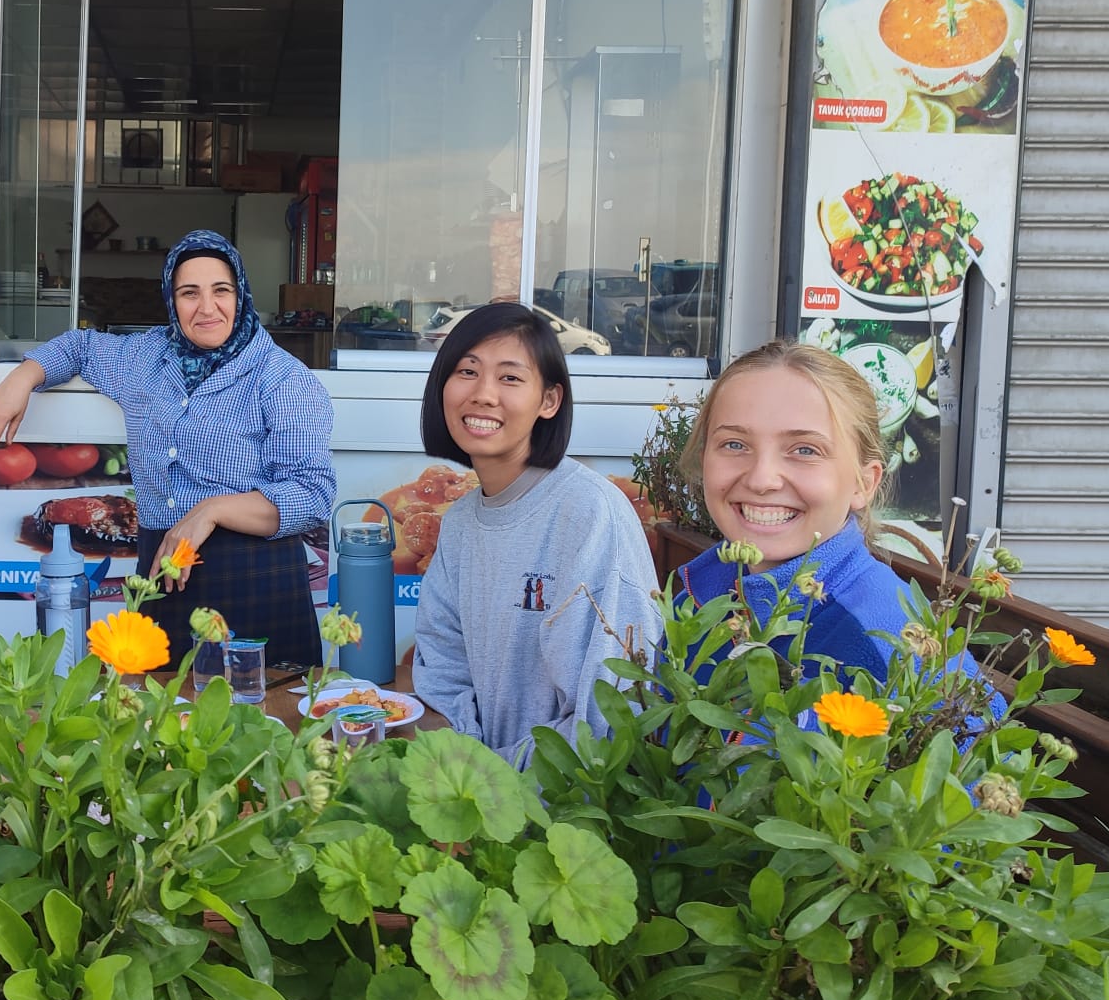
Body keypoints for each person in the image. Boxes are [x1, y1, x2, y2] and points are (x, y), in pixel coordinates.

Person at [0, 230, 334, 665]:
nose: (206, 307)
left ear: (241, 294)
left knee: (266, 720)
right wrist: (21, 379)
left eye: (221, 291)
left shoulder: (283, 380)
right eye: (189, 293)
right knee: (159, 718)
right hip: (162, 575)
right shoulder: (145, 358)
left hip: (255, 574)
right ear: (170, 300)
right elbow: (79, 346)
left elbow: (312, 497)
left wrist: (210, 510)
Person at [412, 303, 662, 768]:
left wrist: (498, 782)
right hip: (475, 795)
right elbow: (443, 664)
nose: (483, 394)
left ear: (549, 401)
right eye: (467, 371)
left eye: (510, 378)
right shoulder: (462, 521)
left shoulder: (591, 514)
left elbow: (613, 712)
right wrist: (469, 768)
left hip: (569, 808)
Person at [675, 339, 991, 693]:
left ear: (865, 483)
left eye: (805, 450)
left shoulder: (896, 645)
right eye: (734, 444)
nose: (761, 479)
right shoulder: (698, 590)